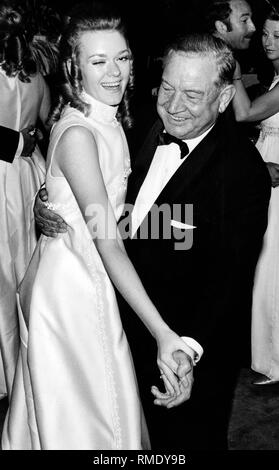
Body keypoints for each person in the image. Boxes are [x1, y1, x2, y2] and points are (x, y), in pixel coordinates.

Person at [34, 32, 271, 450]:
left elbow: (229, 282)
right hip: (112, 324)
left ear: (223, 98)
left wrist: (186, 349)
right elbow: (93, 185)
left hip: (184, 343)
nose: (174, 106)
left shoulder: (242, 173)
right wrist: (50, 199)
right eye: (167, 88)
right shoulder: (137, 122)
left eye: (193, 95)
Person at [2, 2, 193, 450]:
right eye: (98, 61)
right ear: (74, 67)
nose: (115, 73)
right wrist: (164, 333)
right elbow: (109, 244)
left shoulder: (103, 120)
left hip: (84, 275)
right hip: (71, 290)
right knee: (86, 415)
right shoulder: (81, 133)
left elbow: (90, 209)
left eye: (123, 58)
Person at [0, 1, 50, 402]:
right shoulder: (32, 66)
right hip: (29, 174)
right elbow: (45, 114)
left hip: (4, 179)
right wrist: (24, 136)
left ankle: (13, 375)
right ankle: (35, 364)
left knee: (6, 276)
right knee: (29, 271)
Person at [232, 1, 279, 385]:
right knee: (263, 263)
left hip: (275, 171)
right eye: (264, 33)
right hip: (264, 164)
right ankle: (267, 356)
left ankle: (275, 361)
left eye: (277, 36)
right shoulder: (273, 77)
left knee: (271, 267)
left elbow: (246, 114)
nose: (266, 41)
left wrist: (231, 75)